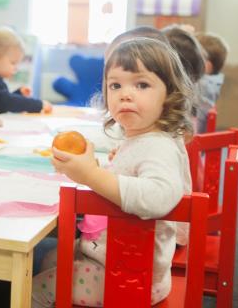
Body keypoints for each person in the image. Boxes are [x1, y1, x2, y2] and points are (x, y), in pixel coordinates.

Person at [32, 38, 194, 307]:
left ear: (169, 95)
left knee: (33, 289)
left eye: (141, 84)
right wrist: (89, 170)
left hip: (130, 278)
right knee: (48, 258)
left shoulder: (159, 146)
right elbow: (121, 185)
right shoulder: (141, 138)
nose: (125, 94)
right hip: (115, 259)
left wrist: (90, 176)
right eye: (115, 85)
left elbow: (158, 197)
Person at [0, 26, 52, 114]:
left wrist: (18, 93)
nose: (16, 68)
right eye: (13, 63)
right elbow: (7, 102)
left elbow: (0, 101)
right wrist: (38, 105)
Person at [194, 32, 229, 133]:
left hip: (191, 142)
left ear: (206, 67)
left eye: (193, 57)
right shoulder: (211, 83)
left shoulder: (201, 87)